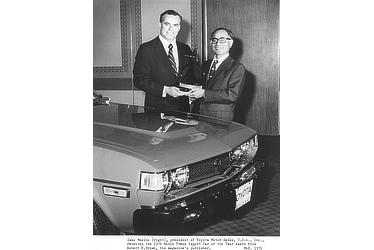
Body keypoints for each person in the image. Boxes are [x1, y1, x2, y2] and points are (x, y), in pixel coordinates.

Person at [133, 9, 195, 112]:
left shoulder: (185, 48)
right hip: (157, 110)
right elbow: (139, 80)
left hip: (183, 109)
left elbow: (190, 76)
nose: (171, 29)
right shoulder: (146, 49)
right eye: (167, 24)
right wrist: (166, 90)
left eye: (175, 25)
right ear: (160, 25)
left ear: (179, 27)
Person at [189, 28, 246, 121]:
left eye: (222, 40)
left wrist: (203, 93)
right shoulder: (205, 64)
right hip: (198, 116)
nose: (218, 44)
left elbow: (232, 95)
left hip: (220, 119)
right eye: (214, 40)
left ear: (230, 43)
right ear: (211, 43)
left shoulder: (237, 68)